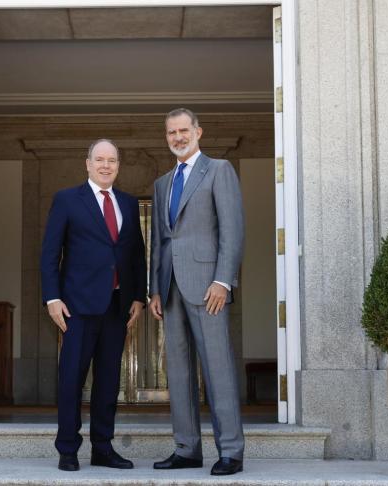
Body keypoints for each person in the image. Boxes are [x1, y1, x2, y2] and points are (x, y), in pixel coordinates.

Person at [40, 139, 147, 472]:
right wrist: (52, 298)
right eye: (99, 160)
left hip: (117, 306)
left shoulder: (129, 204)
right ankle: (68, 449)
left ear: (118, 165)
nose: (105, 165)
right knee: (71, 378)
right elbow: (49, 253)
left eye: (111, 160)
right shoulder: (68, 200)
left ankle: (103, 447)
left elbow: (136, 254)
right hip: (77, 306)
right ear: (87, 163)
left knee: (108, 380)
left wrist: (138, 297)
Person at [149, 108, 245, 476]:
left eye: (183, 130)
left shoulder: (219, 170)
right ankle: (187, 448)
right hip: (171, 288)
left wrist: (223, 280)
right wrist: (155, 288)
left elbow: (232, 230)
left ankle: (231, 452)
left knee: (217, 368)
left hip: (209, 288)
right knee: (178, 372)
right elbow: (160, 240)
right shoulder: (162, 184)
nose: (178, 137)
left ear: (198, 132)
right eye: (171, 132)